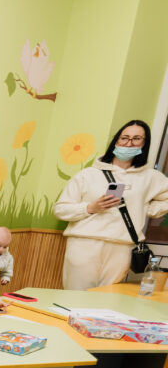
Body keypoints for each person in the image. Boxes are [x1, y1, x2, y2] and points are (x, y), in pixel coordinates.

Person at [54, 120, 168, 290]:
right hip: (85, 243)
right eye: (124, 137)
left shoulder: (150, 177)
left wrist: (147, 208)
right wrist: (91, 208)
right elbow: (60, 210)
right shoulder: (88, 174)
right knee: (76, 294)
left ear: (144, 144)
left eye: (136, 139)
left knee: (106, 298)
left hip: (122, 247)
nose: (129, 143)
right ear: (116, 140)